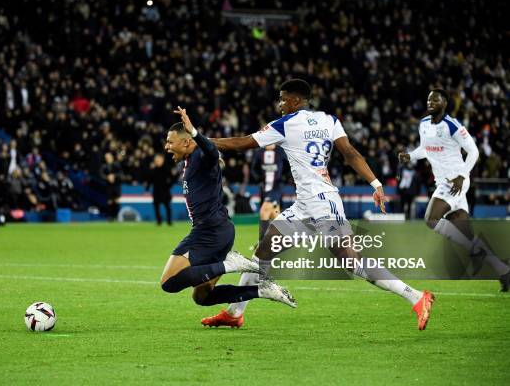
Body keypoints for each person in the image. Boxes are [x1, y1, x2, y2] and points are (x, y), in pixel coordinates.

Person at [202, 79, 435, 330]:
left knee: (352, 262)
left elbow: (242, 143)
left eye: (282, 99)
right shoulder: (329, 120)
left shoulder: (285, 124)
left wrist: (200, 139)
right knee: (262, 253)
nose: (280, 104)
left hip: (323, 204)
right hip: (305, 205)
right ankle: (235, 313)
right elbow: (351, 154)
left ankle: (416, 296)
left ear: (295, 100)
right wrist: (375, 183)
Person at [160, 106, 297, 310]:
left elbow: (212, 152)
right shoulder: (190, 161)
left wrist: (196, 132)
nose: (167, 146)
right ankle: (262, 291)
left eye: (170, 142)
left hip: (210, 232)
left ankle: (231, 264)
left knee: (169, 282)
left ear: (187, 141)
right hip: (217, 232)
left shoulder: (201, 156)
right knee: (202, 297)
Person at [398, 89, 510, 291]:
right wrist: (411, 156)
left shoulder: (452, 125)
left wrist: (462, 175)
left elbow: (473, 151)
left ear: (445, 103)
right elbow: (426, 149)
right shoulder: (423, 124)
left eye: (435, 99)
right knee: (468, 239)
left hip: (455, 181)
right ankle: (503, 269)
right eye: (429, 98)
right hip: (445, 182)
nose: (430, 101)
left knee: (431, 219)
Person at [250, 144, 285, 239]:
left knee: (264, 211)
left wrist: (286, 177)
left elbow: (288, 165)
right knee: (275, 212)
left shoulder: (281, 151)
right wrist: (259, 178)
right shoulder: (259, 152)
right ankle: (280, 241)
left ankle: (262, 241)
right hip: (264, 187)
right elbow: (253, 169)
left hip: (276, 186)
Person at [146, 153, 175, 226]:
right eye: (156, 160)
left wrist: (169, 186)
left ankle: (169, 222)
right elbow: (149, 180)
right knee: (156, 207)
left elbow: (173, 178)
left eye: (158, 160)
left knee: (167, 207)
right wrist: (147, 188)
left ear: (162, 160)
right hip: (156, 191)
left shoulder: (167, 168)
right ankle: (159, 221)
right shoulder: (153, 170)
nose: (157, 161)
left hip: (165, 191)